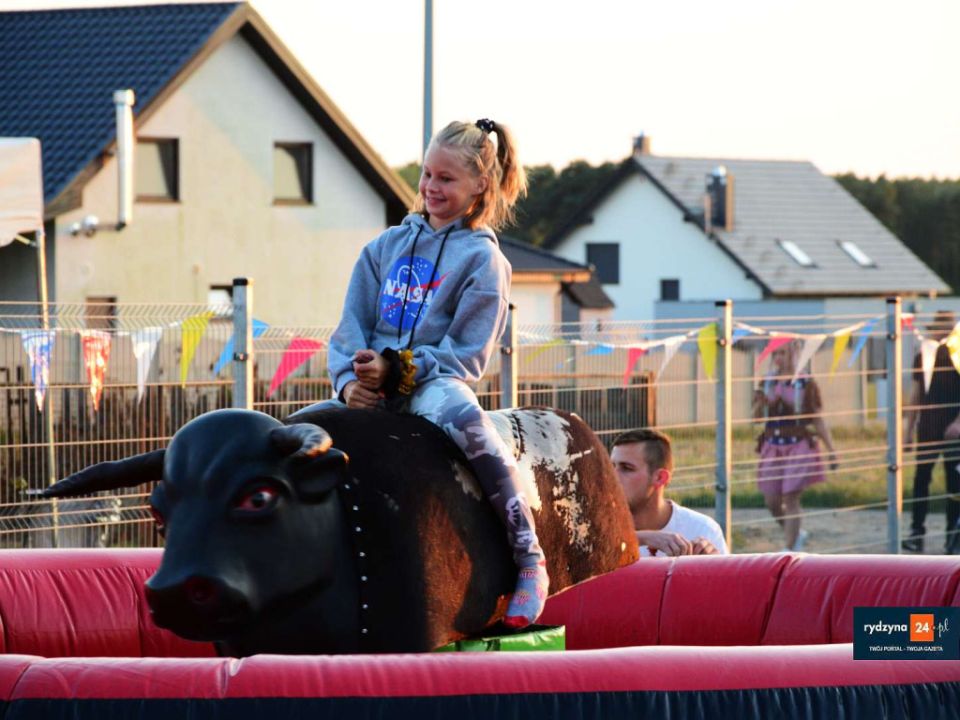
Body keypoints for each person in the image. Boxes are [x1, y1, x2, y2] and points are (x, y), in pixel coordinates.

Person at [319, 118, 547, 628]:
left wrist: (397, 370)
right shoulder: (384, 247)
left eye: (446, 178)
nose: (430, 187)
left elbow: (467, 355)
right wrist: (349, 384)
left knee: (473, 429)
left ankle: (529, 558)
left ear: (480, 184)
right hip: (369, 387)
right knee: (297, 431)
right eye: (427, 174)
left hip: (433, 385)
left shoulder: (484, 260)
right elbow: (349, 328)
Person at [753, 341, 837, 552]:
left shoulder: (805, 383)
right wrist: (761, 402)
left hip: (798, 445)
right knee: (772, 501)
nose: (779, 357)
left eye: (784, 353)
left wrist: (832, 451)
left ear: (795, 354)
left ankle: (790, 548)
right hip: (772, 445)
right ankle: (795, 532)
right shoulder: (767, 382)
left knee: (791, 497)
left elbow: (817, 419)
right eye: (776, 353)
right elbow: (756, 418)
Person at [610, 429, 728, 556]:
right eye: (611, 466)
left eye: (626, 468)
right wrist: (643, 538)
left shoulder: (702, 530)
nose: (611, 476)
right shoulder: (599, 528)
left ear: (660, 478)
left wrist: (712, 564)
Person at [903, 310, 960, 554]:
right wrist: (907, 430)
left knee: (954, 483)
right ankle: (916, 532)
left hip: (953, 430)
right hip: (927, 427)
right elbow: (915, 395)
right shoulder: (922, 357)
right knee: (921, 479)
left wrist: (958, 422)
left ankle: (953, 536)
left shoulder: (958, 356)